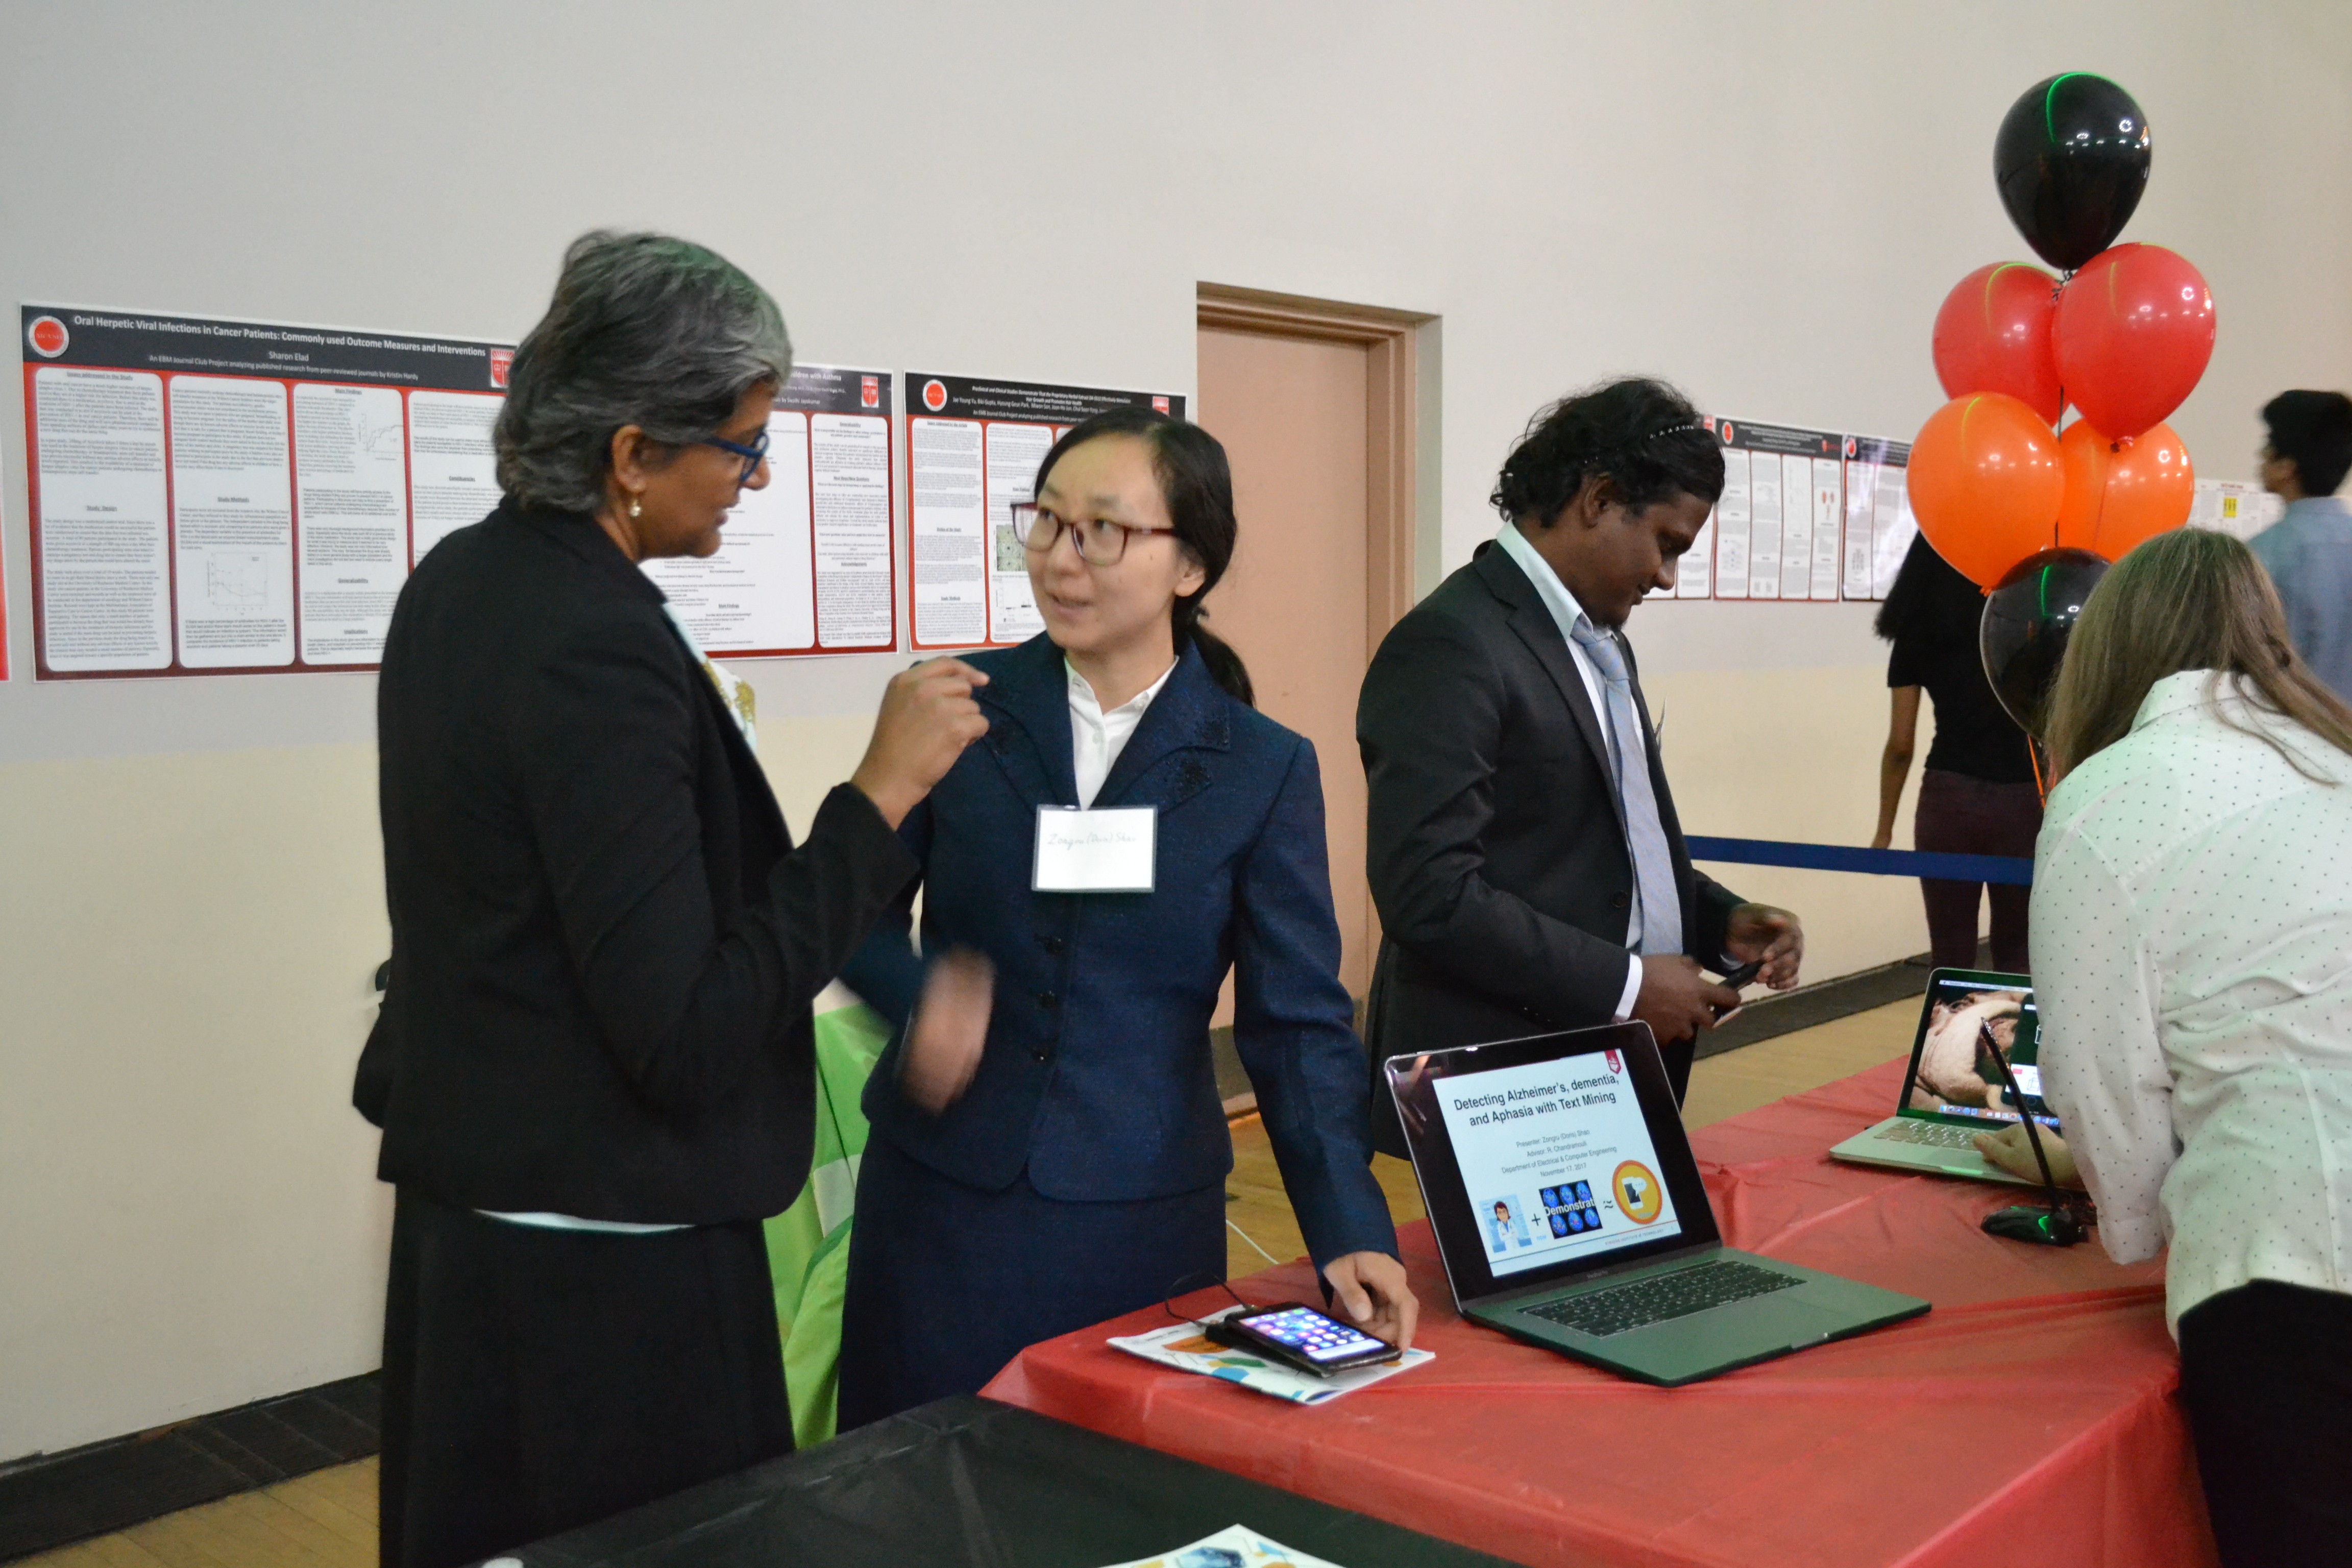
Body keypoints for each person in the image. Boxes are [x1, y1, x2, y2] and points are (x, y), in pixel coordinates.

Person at [358, 231, 987, 1568]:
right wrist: (874, 802)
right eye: (742, 450)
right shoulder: (594, 645)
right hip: (607, 1275)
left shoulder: (464, 584)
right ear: (633, 453)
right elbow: (689, 1029)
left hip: (488, 1222)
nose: (751, 484)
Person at [832, 408, 1413, 1427]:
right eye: (1045, 523)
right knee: (905, 1488)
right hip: (939, 1203)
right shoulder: (953, 706)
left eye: (1103, 530)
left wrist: (1345, 1222)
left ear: (1189, 565)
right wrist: (918, 995)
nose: (1061, 559)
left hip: (1137, 1213)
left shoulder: (1262, 766)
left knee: (1105, 1494)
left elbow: (1297, 1021)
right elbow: (851, 911)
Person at [1972, 527, 2352, 1567]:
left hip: (2300, 1269)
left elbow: (2103, 1088)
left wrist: (2125, 1220)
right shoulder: (2332, 753)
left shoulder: (2110, 797)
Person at [1356, 378, 1803, 1144]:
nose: (1667, 577)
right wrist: (1628, 985)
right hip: (1503, 1080)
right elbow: (1428, 891)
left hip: (1600, 1060)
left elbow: (1593, 841)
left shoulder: (1600, 641)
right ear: (1598, 499)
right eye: (1666, 544)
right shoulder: (1453, 644)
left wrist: (1718, 916)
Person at [1869, 533, 2040, 971]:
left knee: (1950, 957)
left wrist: (1883, 833)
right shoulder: (2019, 628)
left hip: (1947, 800)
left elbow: (1901, 747)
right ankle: (2005, 1040)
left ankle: (1947, 1040)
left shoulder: (1915, 634)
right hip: (2022, 802)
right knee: (2017, 951)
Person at [2249, 388, 2352, 701]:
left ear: (2286, 466)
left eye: (2269, 444)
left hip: (2293, 736)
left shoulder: (2262, 556)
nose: (2261, 455)